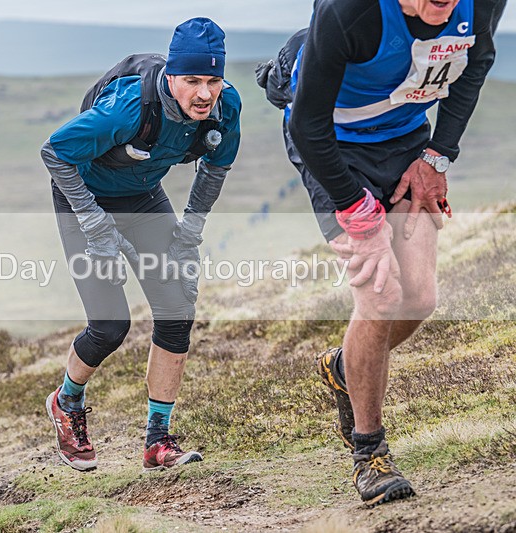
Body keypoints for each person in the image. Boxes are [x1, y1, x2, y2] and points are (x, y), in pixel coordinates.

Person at [259, 0, 505, 507]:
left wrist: (437, 156)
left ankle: (346, 367)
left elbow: (476, 61)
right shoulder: (351, 11)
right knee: (380, 294)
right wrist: (358, 216)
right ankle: (370, 455)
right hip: (331, 144)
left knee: (418, 298)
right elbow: (308, 125)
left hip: (404, 138)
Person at [41, 17, 241, 471]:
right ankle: (66, 402)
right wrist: (95, 225)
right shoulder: (129, 107)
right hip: (83, 199)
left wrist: (190, 234)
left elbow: (215, 168)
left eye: (213, 80)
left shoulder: (226, 107)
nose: (204, 93)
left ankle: (157, 441)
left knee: (176, 310)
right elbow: (54, 152)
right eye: (192, 80)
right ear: (171, 76)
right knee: (110, 326)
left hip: (143, 197)